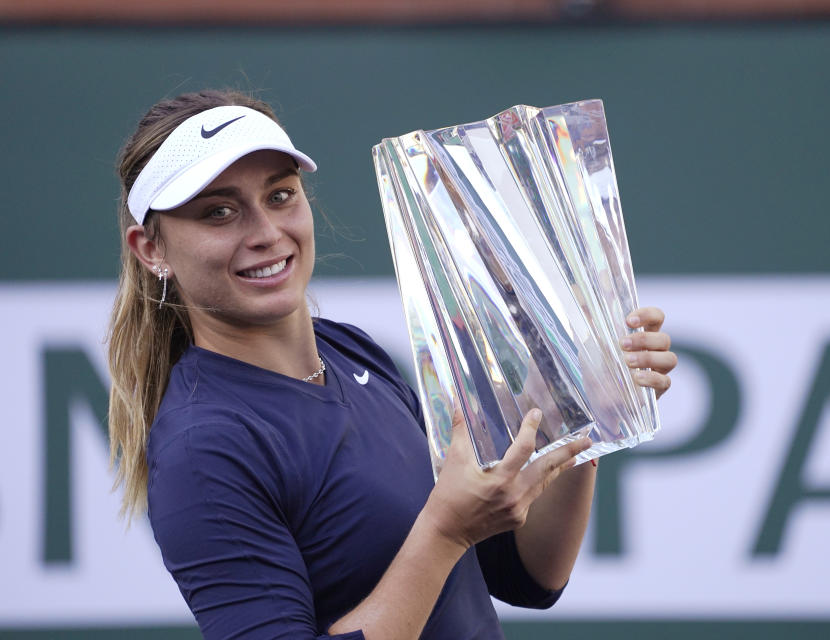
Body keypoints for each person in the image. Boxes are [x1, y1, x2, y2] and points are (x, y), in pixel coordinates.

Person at [107, 89, 677, 640]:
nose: (265, 232)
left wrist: (580, 404)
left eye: (279, 196)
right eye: (219, 212)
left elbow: (526, 576)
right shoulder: (203, 448)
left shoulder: (352, 352)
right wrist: (445, 530)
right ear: (151, 250)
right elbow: (450, 536)